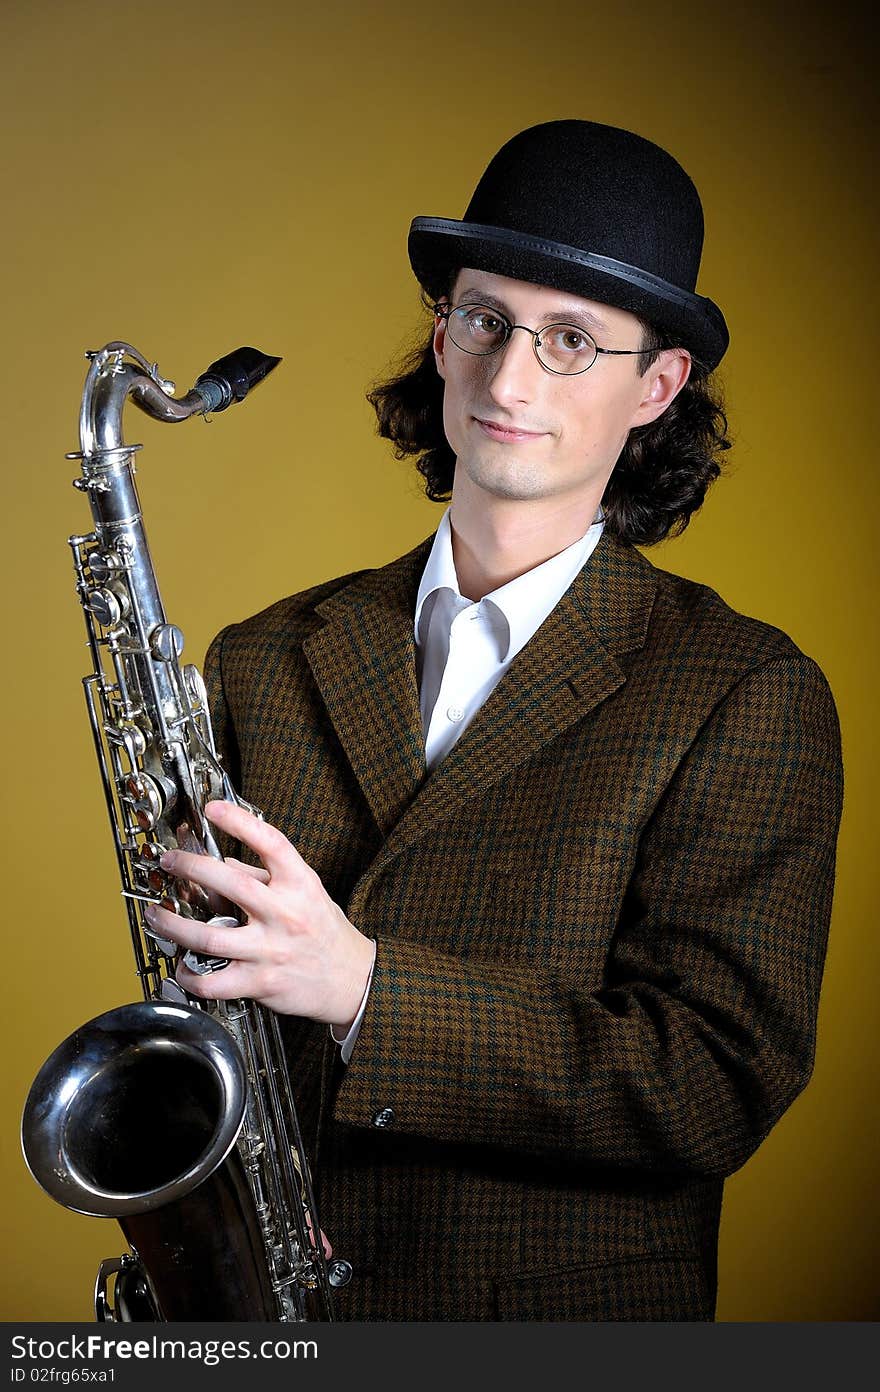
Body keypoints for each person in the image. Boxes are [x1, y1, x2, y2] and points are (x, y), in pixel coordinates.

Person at [145, 120, 844, 1321]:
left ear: (656, 387)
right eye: (483, 319)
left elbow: (713, 1081)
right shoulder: (261, 658)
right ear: (441, 332)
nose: (509, 379)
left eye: (571, 340)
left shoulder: (743, 691)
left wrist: (366, 989)